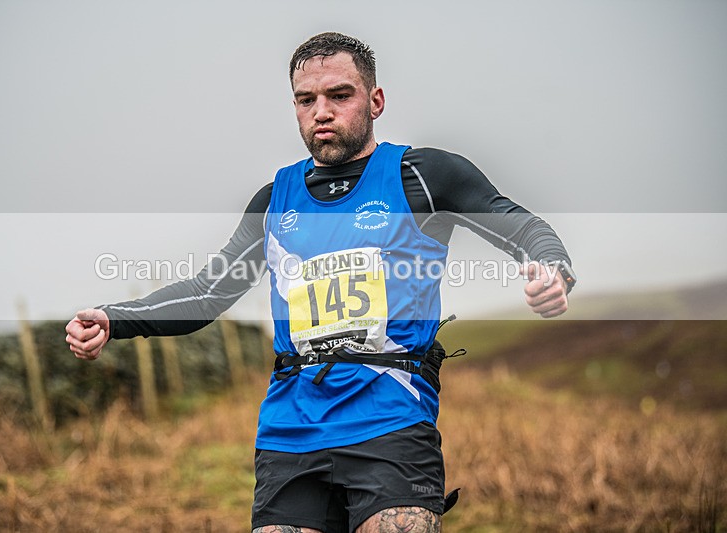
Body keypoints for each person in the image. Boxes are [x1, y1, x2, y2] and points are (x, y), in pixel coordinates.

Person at [66, 32, 574, 533]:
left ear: (375, 101)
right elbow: (209, 291)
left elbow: (522, 226)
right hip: (290, 432)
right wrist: (115, 318)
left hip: (391, 423)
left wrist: (551, 268)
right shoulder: (275, 200)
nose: (321, 111)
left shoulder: (422, 176)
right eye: (307, 100)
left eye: (339, 95)